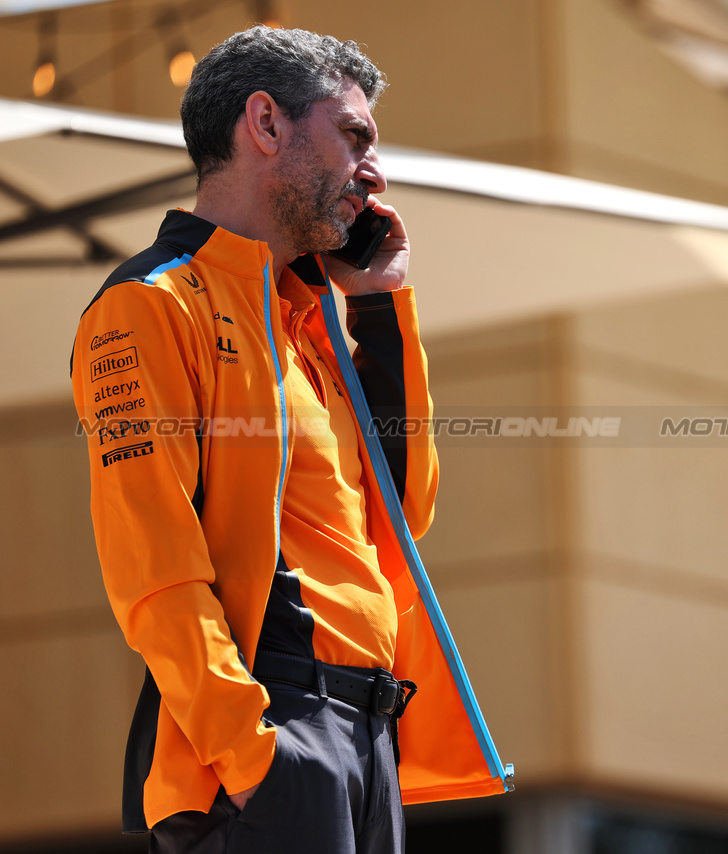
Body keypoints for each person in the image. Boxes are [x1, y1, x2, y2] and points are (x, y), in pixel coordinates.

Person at [70, 26, 509, 854]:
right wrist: (253, 752)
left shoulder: (306, 318)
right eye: (354, 137)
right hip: (276, 736)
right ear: (265, 124)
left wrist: (378, 310)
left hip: (369, 736)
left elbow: (404, 515)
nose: (373, 173)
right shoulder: (151, 304)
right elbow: (151, 565)